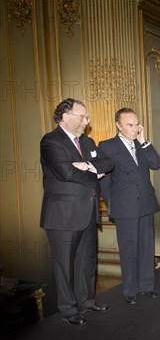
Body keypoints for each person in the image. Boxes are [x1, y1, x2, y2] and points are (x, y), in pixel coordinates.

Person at [40, 98, 114, 326]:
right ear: (65, 116)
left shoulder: (88, 142)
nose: (86, 121)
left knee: (86, 260)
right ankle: (68, 308)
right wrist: (93, 172)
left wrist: (89, 166)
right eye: (82, 117)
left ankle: (86, 301)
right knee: (64, 265)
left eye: (86, 117)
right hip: (62, 215)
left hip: (88, 211)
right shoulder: (51, 141)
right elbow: (66, 173)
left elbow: (108, 162)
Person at [99, 108, 160, 304]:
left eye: (136, 124)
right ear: (118, 125)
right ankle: (130, 291)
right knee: (129, 249)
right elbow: (104, 181)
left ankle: (146, 286)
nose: (134, 128)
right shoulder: (107, 146)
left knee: (146, 247)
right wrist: (114, 204)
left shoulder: (141, 144)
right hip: (124, 207)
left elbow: (157, 164)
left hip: (145, 204)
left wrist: (143, 141)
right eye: (130, 125)